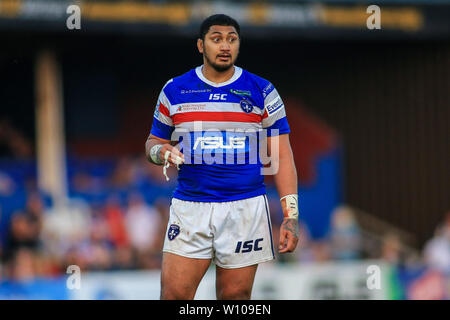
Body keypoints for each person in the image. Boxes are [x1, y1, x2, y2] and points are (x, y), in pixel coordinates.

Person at [145, 14, 300, 300]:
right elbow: (153, 143)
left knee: (235, 298)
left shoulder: (263, 91)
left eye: (232, 39)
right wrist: (161, 152)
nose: (225, 46)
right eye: (216, 39)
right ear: (201, 45)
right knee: (174, 296)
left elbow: (283, 155)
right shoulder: (175, 90)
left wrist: (290, 216)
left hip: (245, 208)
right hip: (191, 207)